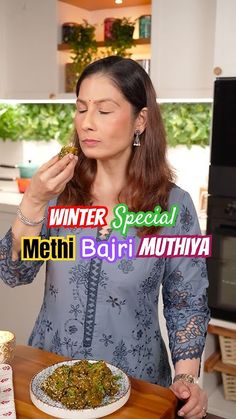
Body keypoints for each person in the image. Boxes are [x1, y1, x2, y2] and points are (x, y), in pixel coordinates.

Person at [0, 56, 210, 418]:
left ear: (140, 121)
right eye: (81, 109)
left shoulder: (173, 207)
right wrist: (33, 200)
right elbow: (14, 271)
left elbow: (186, 302)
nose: (87, 123)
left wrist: (187, 379)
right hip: (49, 381)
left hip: (135, 388)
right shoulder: (58, 193)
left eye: (104, 110)